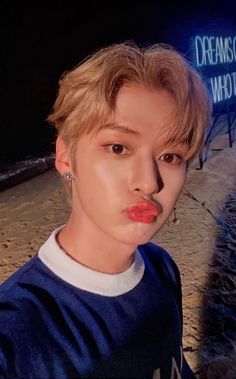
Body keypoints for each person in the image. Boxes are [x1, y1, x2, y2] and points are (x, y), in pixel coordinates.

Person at [0, 41, 211, 379]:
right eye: (118, 147)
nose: (149, 182)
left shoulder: (161, 268)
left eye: (170, 156)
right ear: (66, 156)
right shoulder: (18, 334)